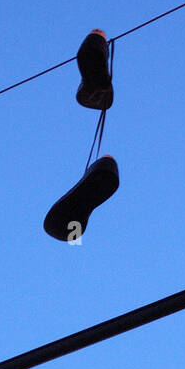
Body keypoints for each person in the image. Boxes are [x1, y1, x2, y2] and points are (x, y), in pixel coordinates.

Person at [44, 29, 120, 241]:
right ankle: (97, 50)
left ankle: (97, 45)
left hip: (103, 168)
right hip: (102, 168)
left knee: (102, 171)